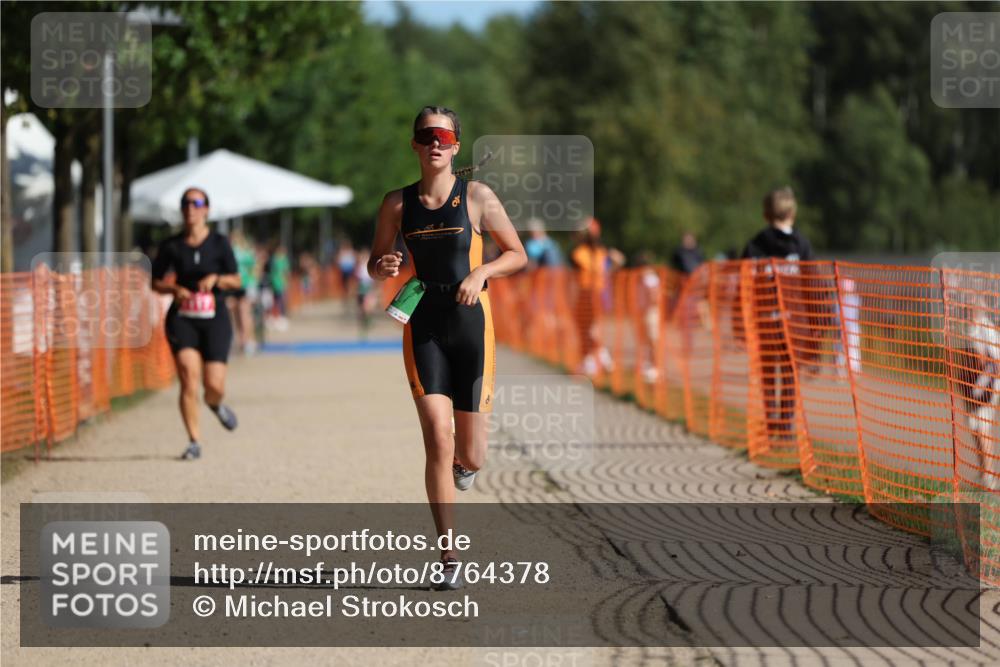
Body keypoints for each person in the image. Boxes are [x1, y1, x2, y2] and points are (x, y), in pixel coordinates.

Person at [367, 106, 527, 590]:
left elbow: (516, 254)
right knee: (438, 435)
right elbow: (376, 261)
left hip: (472, 326)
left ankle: (464, 464)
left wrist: (482, 273)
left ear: (456, 145)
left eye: (443, 135)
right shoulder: (396, 204)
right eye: (426, 135)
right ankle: (449, 556)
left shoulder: (477, 197)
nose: (434, 143)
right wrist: (383, 264)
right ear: (414, 144)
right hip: (424, 325)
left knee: (472, 455)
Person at [151, 187, 241, 460]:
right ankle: (194, 441)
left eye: (196, 202)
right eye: (185, 203)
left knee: (214, 385)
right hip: (183, 319)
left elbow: (237, 280)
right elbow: (155, 282)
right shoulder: (171, 245)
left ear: (206, 210)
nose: (190, 208)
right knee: (189, 378)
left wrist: (216, 279)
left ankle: (215, 405)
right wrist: (173, 289)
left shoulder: (220, 243)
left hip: (215, 319)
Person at [741, 186, 813, 439]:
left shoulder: (754, 246)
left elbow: (744, 287)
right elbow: (812, 284)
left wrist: (741, 322)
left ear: (765, 215)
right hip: (795, 322)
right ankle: (785, 426)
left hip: (764, 320)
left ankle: (773, 420)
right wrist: (817, 326)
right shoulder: (802, 245)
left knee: (768, 372)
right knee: (790, 373)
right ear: (793, 212)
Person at [570, 217, 624, 376]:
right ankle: (596, 359)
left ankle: (596, 360)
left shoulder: (588, 253)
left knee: (590, 329)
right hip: (590, 293)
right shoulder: (592, 252)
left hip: (592, 294)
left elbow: (618, 260)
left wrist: (606, 272)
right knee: (587, 328)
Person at [229, 229, 259, 355]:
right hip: (238, 286)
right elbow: (255, 268)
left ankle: (246, 341)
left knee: (241, 314)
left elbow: (254, 268)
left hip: (241, 286)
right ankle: (244, 341)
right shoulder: (243, 252)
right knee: (241, 314)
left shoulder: (241, 253)